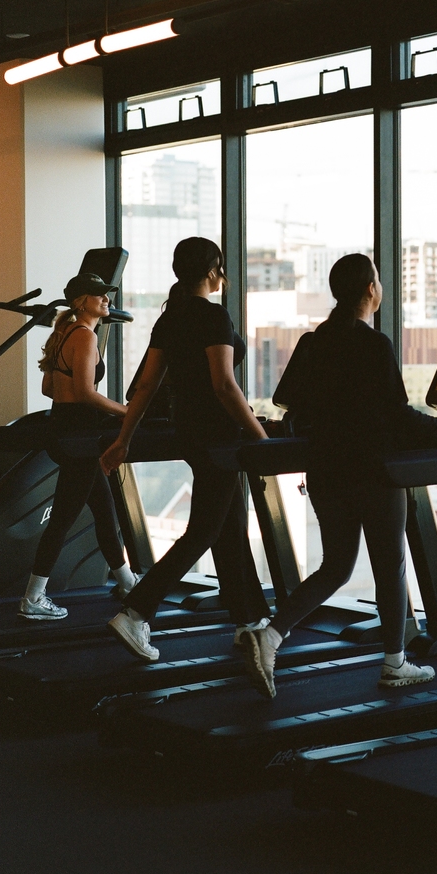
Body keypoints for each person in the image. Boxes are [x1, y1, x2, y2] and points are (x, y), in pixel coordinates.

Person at [238, 254, 437, 699]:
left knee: (336, 566)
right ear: (369, 290)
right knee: (389, 566)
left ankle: (269, 636)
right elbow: (396, 415)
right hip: (372, 473)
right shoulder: (373, 344)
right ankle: (394, 663)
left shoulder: (314, 341)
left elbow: (287, 399)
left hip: (326, 471)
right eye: (378, 281)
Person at [101, 237, 271, 661]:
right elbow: (225, 386)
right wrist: (260, 438)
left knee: (229, 528)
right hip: (219, 433)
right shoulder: (213, 316)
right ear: (213, 270)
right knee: (206, 530)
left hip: (190, 432)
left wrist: (124, 438)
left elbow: (146, 385)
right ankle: (137, 611)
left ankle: (249, 621)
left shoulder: (170, 317)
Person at [20, 272, 137, 620]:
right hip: (79, 438)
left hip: (64, 428)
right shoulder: (84, 337)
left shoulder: (63, 333)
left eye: (107, 295)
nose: (106, 299)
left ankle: (128, 582)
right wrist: (129, 412)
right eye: (98, 295)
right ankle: (32, 598)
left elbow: (48, 389)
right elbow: (86, 393)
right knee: (63, 519)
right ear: (79, 301)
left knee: (104, 510)